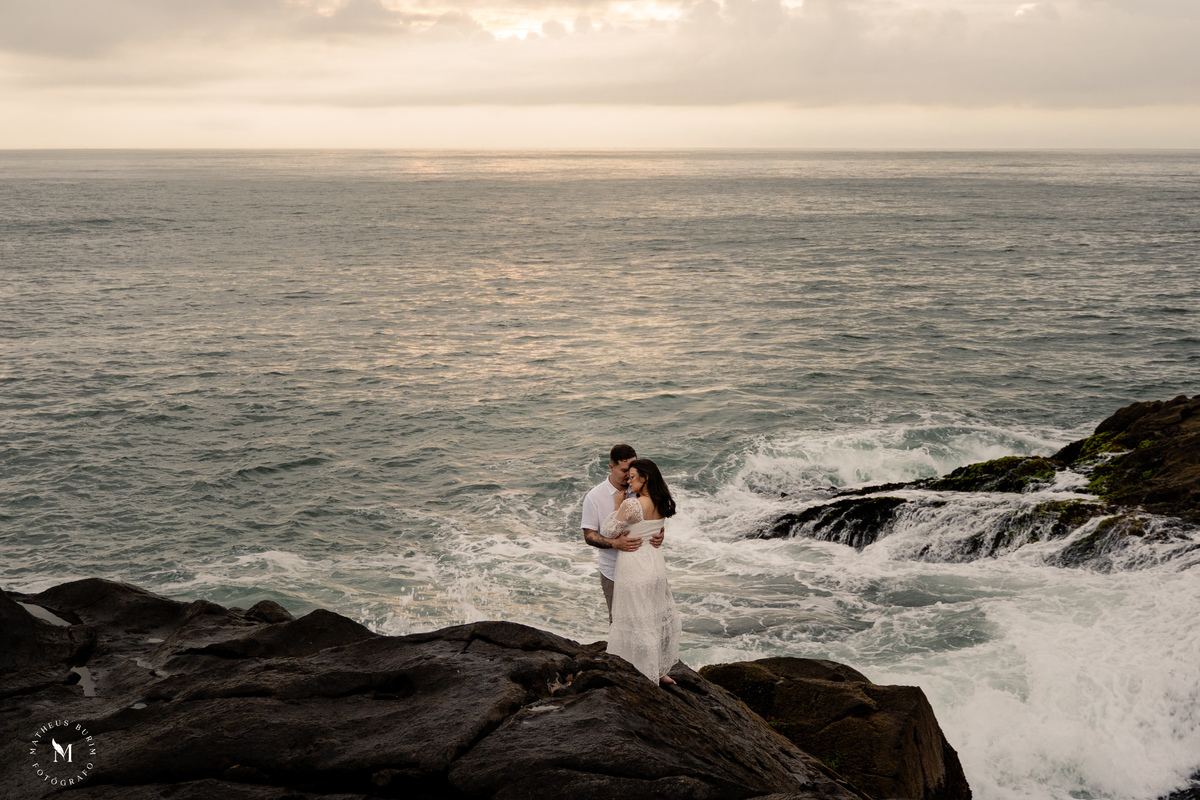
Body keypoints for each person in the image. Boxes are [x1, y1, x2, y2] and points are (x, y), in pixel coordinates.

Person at [600, 458, 682, 685]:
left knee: (636, 619)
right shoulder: (661, 501)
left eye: (633, 477)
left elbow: (608, 530)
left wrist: (618, 505)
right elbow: (655, 529)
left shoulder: (632, 504)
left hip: (634, 564)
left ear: (645, 478)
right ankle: (657, 670)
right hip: (654, 562)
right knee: (652, 616)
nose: (629, 480)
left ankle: (642, 673)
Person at [581, 444, 663, 622]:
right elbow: (589, 535)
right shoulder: (594, 497)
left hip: (644, 569)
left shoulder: (641, 490)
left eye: (633, 470)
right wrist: (615, 544)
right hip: (613, 571)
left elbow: (653, 519)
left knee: (650, 620)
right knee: (620, 622)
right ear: (611, 467)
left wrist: (659, 534)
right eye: (624, 470)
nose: (629, 475)